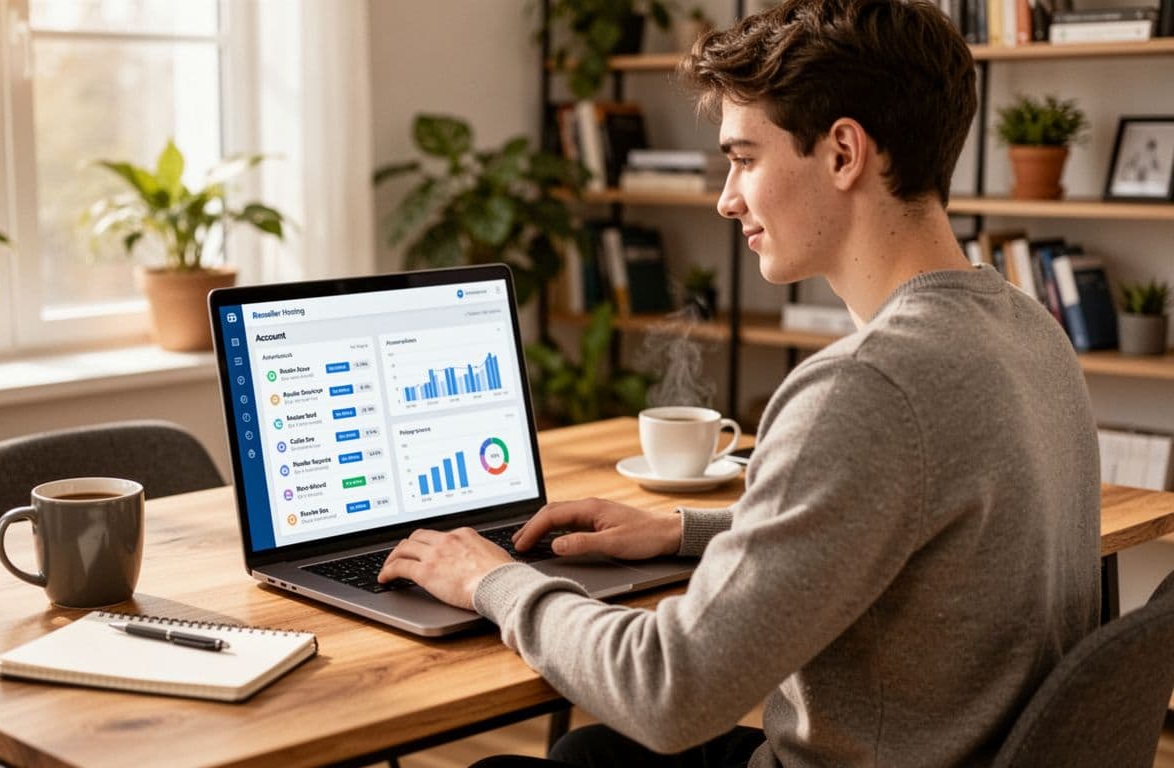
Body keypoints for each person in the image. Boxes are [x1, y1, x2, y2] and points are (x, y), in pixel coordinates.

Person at [378, 0, 1101, 764]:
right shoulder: (1028, 328)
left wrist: (493, 581)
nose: (727, 198)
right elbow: (917, 526)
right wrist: (686, 532)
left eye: (745, 158)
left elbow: (669, 693)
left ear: (844, 153)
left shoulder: (862, 387)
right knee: (588, 757)